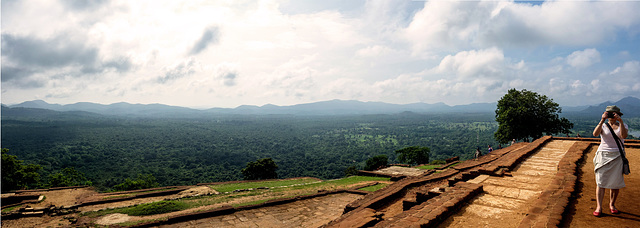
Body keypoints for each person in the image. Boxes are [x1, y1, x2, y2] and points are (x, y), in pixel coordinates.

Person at [591, 105, 628, 217]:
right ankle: (599, 206)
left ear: (618, 114)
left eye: (613, 114)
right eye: (609, 114)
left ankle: (612, 204)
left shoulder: (623, 125)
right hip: (603, 155)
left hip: (617, 156)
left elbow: (623, 135)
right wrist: (602, 119)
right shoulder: (603, 125)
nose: (611, 116)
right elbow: (595, 134)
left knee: (615, 183)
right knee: (600, 182)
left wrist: (620, 121)